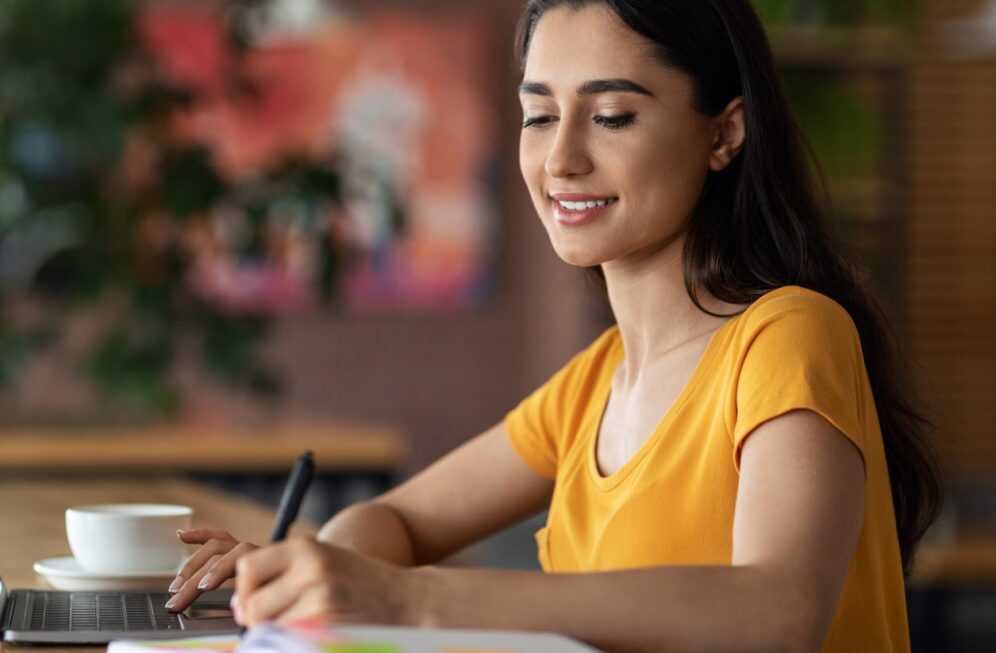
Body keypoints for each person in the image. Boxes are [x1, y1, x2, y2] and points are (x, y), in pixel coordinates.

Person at [162, 1, 943, 650]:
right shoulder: (594, 383)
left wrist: (407, 598)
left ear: (724, 132)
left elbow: (778, 611)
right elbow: (397, 516)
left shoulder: (789, 334)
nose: (561, 158)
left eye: (610, 116)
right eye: (540, 116)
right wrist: (319, 568)